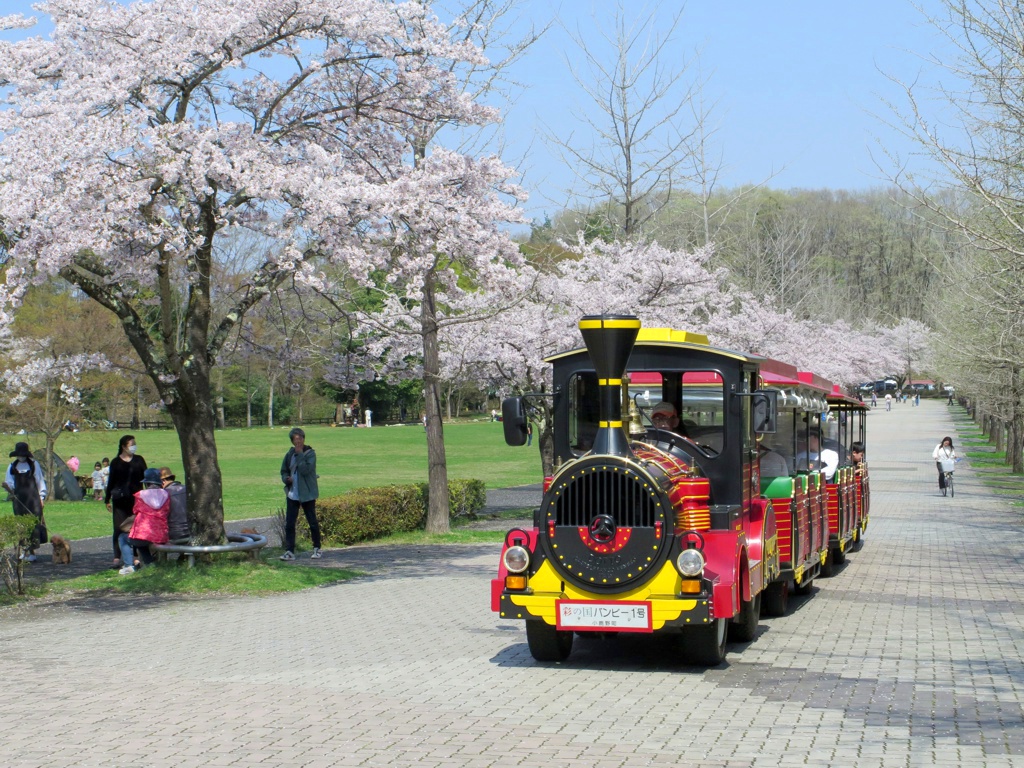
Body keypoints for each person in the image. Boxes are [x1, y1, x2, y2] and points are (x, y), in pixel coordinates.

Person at [279, 427, 323, 560]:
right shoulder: (289, 454)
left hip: (307, 494)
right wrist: (287, 479)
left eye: (300, 438)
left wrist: (299, 455)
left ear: (304, 439)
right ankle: (289, 551)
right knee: (290, 523)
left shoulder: (310, 454)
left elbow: (305, 470)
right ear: (292, 441)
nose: (298, 441)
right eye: (295, 439)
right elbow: (283, 470)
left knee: (312, 522)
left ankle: (317, 548)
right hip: (293, 494)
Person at [104, 435, 147, 569]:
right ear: (123, 446)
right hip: (119, 500)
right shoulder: (116, 462)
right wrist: (107, 499)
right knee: (119, 527)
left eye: (135, 443)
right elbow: (111, 481)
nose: (133, 446)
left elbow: (145, 478)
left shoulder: (139, 460)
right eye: (131, 444)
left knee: (135, 528)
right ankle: (117, 557)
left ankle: (135, 556)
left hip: (136, 500)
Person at [3, 442, 47, 562]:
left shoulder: (34, 465)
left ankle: (32, 551)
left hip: (33, 500)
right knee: (21, 525)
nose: (20, 457)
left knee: (33, 525)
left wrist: (42, 497)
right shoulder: (12, 466)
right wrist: (9, 488)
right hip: (19, 501)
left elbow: (40, 481)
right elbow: (10, 482)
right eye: (19, 455)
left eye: (22, 455)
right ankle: (24, 550)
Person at [122, 468, 170, 573]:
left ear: (146, 483)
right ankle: (149, 563)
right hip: (161, 532)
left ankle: (145, 563)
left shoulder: (140, 495)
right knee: (143, 540)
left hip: (143, 534)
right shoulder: (166, 495)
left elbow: (135, 510)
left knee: (125, 538)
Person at [159, 467, 189, 542]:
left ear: (163, 481)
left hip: (173, 534)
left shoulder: (163, 494)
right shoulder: (187, 489)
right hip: (190, 531)